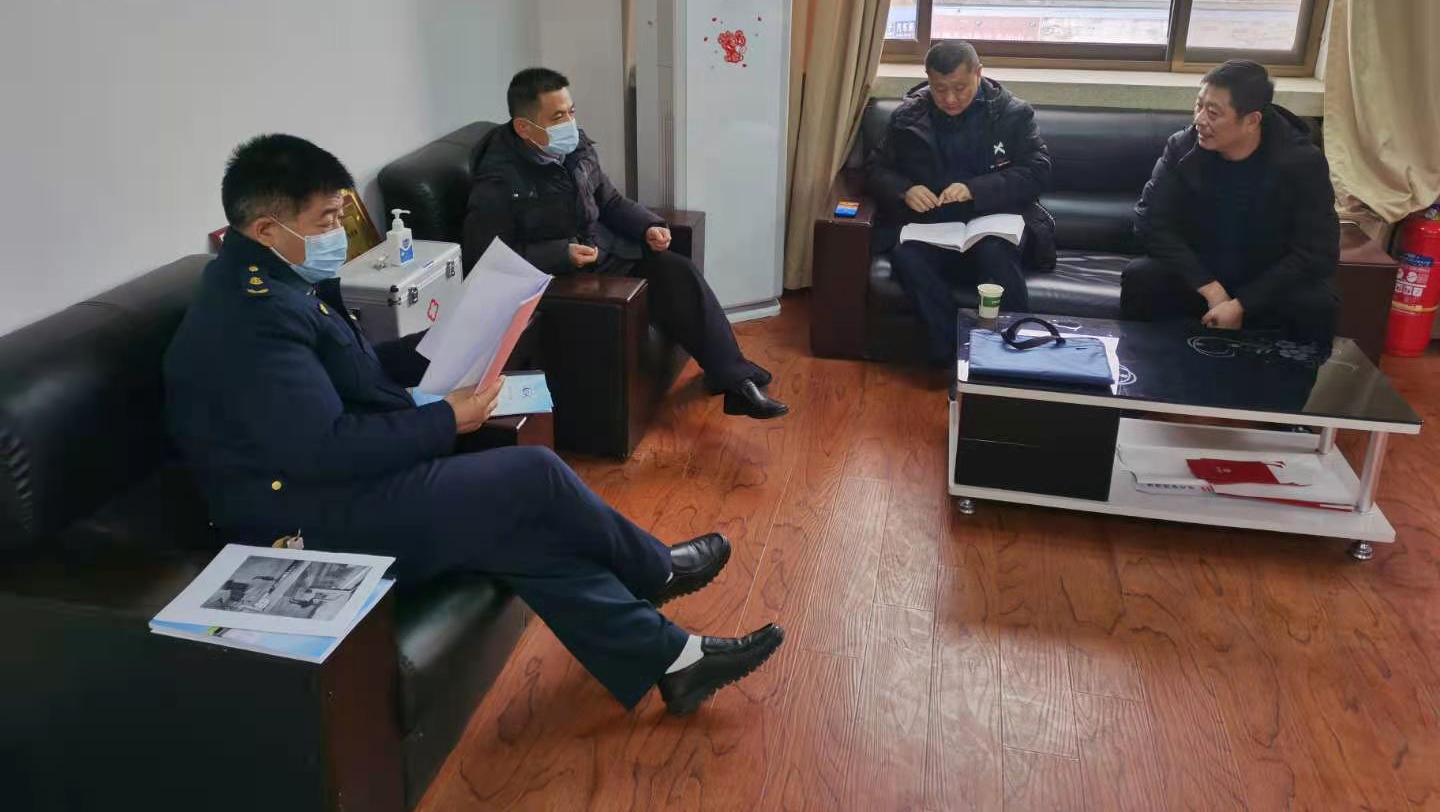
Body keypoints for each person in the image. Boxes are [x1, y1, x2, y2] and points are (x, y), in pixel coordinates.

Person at [164, 134, 785, 715]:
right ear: (267, 228)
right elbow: (322, 450)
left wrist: (450, 340)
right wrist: (446, 419)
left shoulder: (283, 280)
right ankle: (654, 570)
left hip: (339, 484)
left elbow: (350, 372)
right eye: (325, 222)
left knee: (517, 532)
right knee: (533, 474)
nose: (337, 235)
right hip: (304, 520)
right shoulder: (252, 319)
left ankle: (675, 662)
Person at [463, 67, 786, 419]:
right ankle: (736, 381)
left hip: (603, 251)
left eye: (571, 111)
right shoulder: (498, 180)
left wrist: (648, 226)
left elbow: (610, 201)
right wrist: (560, 254)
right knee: (665, 279)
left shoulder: (575, 147)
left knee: (678, 272)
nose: (569, 123)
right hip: (562, 279)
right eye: (557, 117)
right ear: (524, 128)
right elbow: (485, 257)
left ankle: (735, 382)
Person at [1122, 59, 1340, 343]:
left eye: (1213, 113)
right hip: (1202, 274)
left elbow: (1317, 252)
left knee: (1316, 304)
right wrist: (1211, 290)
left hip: (1267, 279)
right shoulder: (1182, 147)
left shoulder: (1302, 163)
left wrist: (1242, 304)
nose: (1200, 120)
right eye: (1198, 106)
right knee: (1142, 277)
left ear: (1251, 120)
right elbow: (1149, 222)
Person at [864, 40, 1054, 364]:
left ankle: (1016, 356)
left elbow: (1038, 171)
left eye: (960, 88)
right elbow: (875, 169)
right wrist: (905, 189)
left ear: (978, 73)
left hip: (993, 225)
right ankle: (950, 356)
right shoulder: (908, 117)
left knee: (994, 253)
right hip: (933, 228)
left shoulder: (1012, 114)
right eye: (940, 89)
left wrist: (975, 189)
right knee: (907, 256)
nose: (950, 99)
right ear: (928, 80)